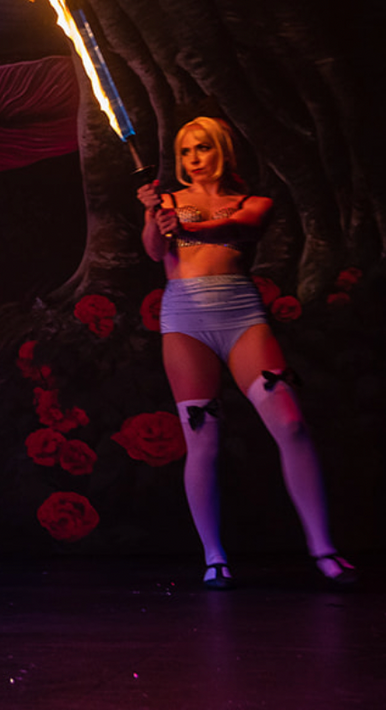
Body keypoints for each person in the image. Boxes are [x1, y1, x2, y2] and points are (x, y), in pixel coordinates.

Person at [138, 116, 355, 591]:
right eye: (187, 153)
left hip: (240, 314)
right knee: (204, 438)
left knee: (292, 423)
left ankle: (323, 548)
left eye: (203, 149)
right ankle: (214, 556)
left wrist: (186, 225)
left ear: (223, 151)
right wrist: (156, 217)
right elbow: (155, 251)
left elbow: (234, 228)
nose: (195, 160)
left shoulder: (255, 202)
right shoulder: (168, 202)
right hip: (185, 319)